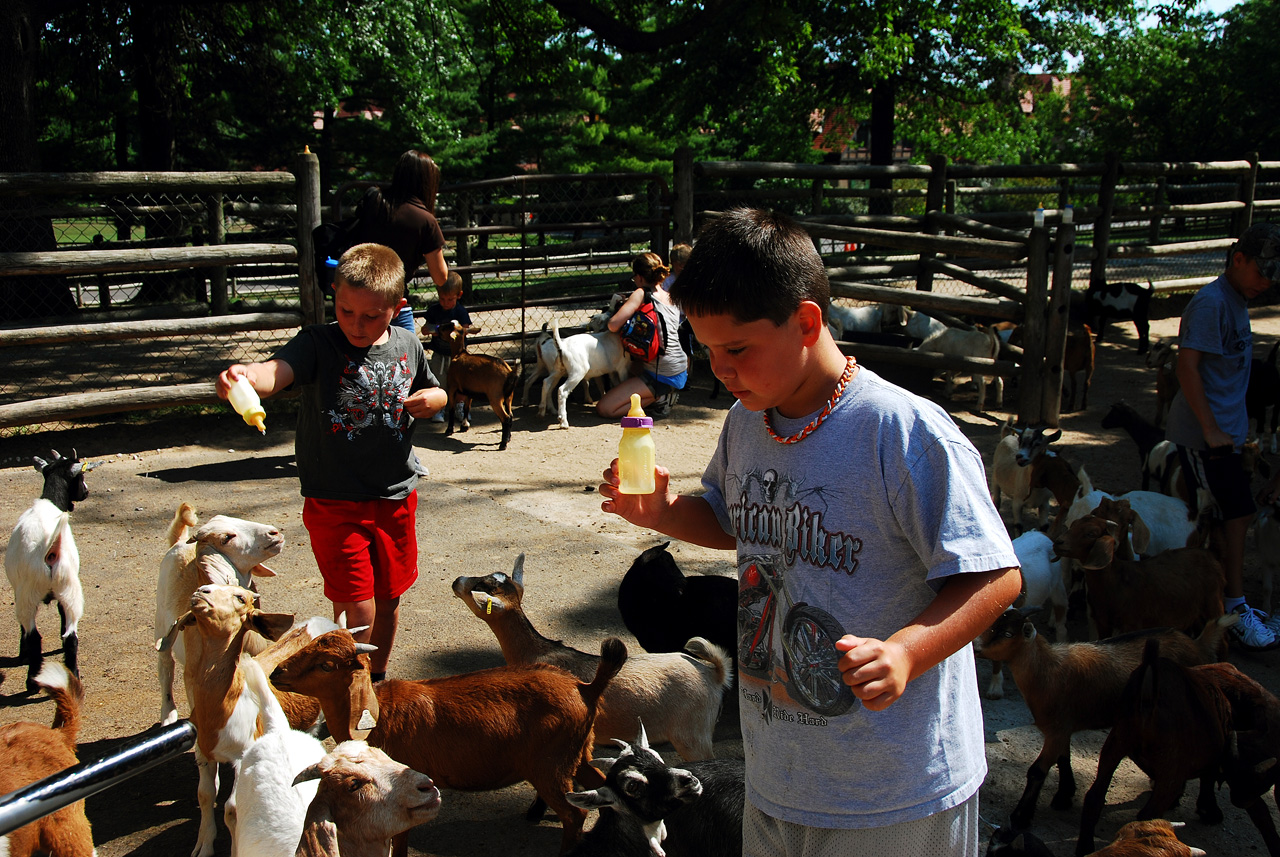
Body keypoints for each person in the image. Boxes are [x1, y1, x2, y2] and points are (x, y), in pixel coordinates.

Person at [598, 208, 1021, 857]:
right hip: (779, 776)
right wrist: (665, 512)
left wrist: (907, 651)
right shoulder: (748, 421)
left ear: (806, 322)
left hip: (895, 790)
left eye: (736, 348)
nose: (720, 368)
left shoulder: (902, 434)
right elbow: (732, 518)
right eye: (707, 348)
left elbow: (995, 574)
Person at [216, 242, 447, 681]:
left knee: (390, 596)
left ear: (396, 307)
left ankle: (375, 682)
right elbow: (276, 372)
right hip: (335, 502)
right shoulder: (318, 343)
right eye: (345, 311)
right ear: (333, 298)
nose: (356, 325)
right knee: (358, 602)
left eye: (371, 315)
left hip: (396, 496)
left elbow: (435, 388)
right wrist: (248, 375)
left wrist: (435, 398)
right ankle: (353, 686)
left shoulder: (407, 344)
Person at [1166, 221, 1280, 651]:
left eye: (1273, 276)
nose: (1266, 283)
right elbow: (1187, 368)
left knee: (1234, 517)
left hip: (1226, 435)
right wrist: (1212, 428)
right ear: (1238, 259)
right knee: (1234, 516)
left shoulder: (1237, 300)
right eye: (1261, 272)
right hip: (1202, 437)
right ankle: (1233, 611)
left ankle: (1227, 607)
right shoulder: (1211, 303)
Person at [360, 149, 450, 332]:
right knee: (406, 358)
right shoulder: (424, 220)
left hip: (358, 300)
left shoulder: (374, 199)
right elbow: (441, 277)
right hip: (393, 305)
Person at [596, 252, 688, 418]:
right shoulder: (670, 295)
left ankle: (661, 396)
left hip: (662, 372)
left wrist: (621, 307)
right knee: (629, 368)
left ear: (639, 277)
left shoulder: (640, 293)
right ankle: (659, 393)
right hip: (679, 366)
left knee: (605, 408)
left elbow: (613, 325)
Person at [423, 272, 480, 422]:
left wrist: (452, 332)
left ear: (459, 295)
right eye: (442, 299)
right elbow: (425, 328)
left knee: (461, 382)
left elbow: (465, 329)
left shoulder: (460, 311)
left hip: (458, 356)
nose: (445, 303)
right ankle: (439, 408)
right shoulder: (435, 311)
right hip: (440, 354)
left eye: (450, 299)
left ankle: (460, 407)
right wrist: (434, 329)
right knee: (439, 381)